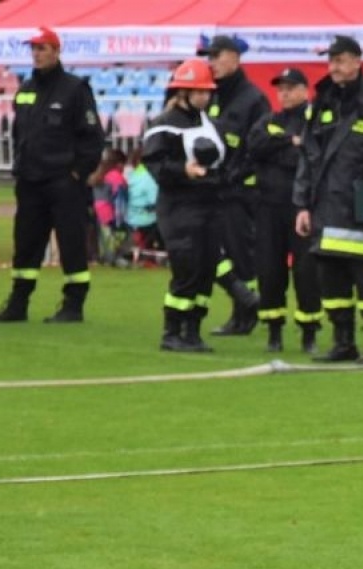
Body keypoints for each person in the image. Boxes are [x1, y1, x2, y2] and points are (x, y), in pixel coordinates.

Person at [295, 36, 363, 365]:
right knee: (329, 274)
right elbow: (308, 156)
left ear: (358, 61)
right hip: (325, 202)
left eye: (341, 60)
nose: (334, 67)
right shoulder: (322, 100)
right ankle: (343, 341)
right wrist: (302, 204)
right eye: (331, 60)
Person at [0, 27, 105, 325]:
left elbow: (92, 137)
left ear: (56, 51)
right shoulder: (26, 89)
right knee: (25, 245)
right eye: (34, 49)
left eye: (42, 48)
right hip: (30, 181)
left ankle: (73, 304)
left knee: (71, 243)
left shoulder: (75, 89)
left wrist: (77, 173)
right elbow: (19, 134)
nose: (36, 54)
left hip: (63, 181)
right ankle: (18, 303)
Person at [141, 57, 226, 352]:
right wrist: (183, 171)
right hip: (179, 207)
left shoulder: (209, 122)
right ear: (183, 92)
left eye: (207, 92)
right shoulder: (163, 125)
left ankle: (193, 330)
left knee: (206, 269)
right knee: (187, 269)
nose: (204, 97)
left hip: (210, 204)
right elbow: (154, 165)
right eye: (199, 91)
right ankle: (172, 332)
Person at [199, 34, 268, 338]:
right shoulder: (211, 96)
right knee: (212, 251)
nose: (211, 62)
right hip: (213, 188)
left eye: (217, 56)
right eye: (209, 57)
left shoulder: (253, 99)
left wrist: (237, 175)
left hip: (241, 193)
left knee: (241, 255)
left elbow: (261, 146)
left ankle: (245, 313)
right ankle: (242, 306)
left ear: (235, 58)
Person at [252, 66, 320, 355]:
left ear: (305, 91)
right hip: (268, 206)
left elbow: (308, 157)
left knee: (307, 271)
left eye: (290, 88)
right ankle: (274, 331)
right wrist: (288, 142)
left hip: (301, 207)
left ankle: (309, 333)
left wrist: (278, 151)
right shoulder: (270, 120)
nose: (285, 94)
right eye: (280, 89)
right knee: (269, 270)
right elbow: (254, 146)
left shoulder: (315, 120)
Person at [122, 145, 162, 261]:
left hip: (131, 217)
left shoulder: (133, 175)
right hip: (146, 219)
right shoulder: (148, 176)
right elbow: (155, 200)